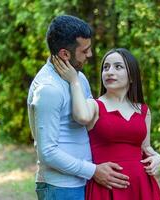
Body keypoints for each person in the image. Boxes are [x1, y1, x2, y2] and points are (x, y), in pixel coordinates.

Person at [27, 15, 131, 200]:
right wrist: (92, 170)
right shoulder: (48, 89)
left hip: (86, 181)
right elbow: (47, 153)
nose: (90, 55)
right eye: (85, 51)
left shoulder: (78, 79)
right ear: (65, 54)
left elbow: (94, 122)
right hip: (61, 187)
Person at [53, 48, 160, 199]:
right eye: (106, 67)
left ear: (131, 76)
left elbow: (146, 147)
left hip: (141, 186)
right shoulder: (94, 105)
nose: (110, 72)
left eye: (118, 67)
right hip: (106, 188)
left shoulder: (143, 110)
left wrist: (158, 157)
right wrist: (74, 81)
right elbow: (81, 117)